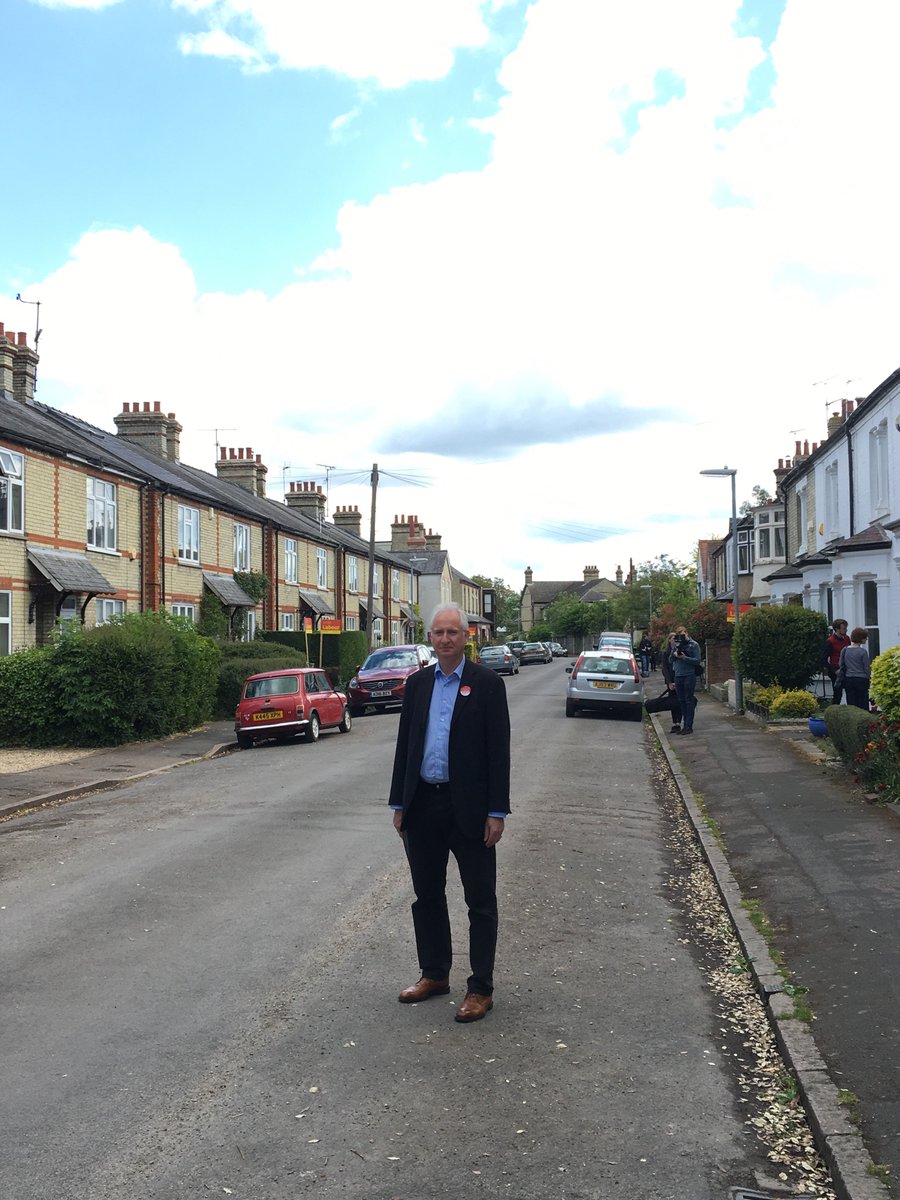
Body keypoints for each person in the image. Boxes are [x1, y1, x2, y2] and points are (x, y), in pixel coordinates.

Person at [389, 602, 511, 1023]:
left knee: (480, 900)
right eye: (438, 633)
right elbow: (406, 747)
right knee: (427, 896)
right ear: (430, 638)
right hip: (423, 804)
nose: (445, 639)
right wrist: (399, 803)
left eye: (453, 633)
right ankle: (435, 974)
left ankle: (480, 987)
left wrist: (497, 811)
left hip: (472, 810)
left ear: (466, 636)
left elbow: (499, 753)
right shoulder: (418, 684)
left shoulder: (488, 684)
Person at [671, 626, 701, 735]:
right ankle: (684, 725)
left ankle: (689, 725)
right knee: (681, 700)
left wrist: (685, 658)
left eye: (682, 634)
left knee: (688, 700)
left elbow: (697, 661)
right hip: (678, 675)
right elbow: (670, 660)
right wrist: (674, 654)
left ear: (687, 633)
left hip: (689, 675)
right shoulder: (677, 645)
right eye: (679, 634)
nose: (681, 637)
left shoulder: (694, 645)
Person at [838, 627, 871, 711]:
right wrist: (869, 678)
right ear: (861, 638)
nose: (866, 639)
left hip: (849, 680)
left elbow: (840, 664)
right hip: (861, 680)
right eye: (865, 637)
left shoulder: (844, 650)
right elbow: (867, 667)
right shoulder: (863, 652)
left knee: (851, 705)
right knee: (862, 704)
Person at [823, 619, 851, 705]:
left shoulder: (847, 638)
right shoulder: (830, 641)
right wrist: (834, 671)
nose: (846, 630)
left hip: (846, 669)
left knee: (850, 691)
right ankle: (834, 712)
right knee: (838, 693)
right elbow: (823, 659)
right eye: (843, 628)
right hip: (836, 670)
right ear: (837, 629)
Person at [660, 632, 683, 734]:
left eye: (676, 638)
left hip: (680, 679)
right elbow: (664, 668)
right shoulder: (666, 653)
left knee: (680, 701)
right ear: (669, 640)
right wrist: (669, 682)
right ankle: (675, 722)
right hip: (671, 679)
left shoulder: (680, 650)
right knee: (673, 701)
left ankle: (679, 722)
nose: (675, 640)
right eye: (673, 638)